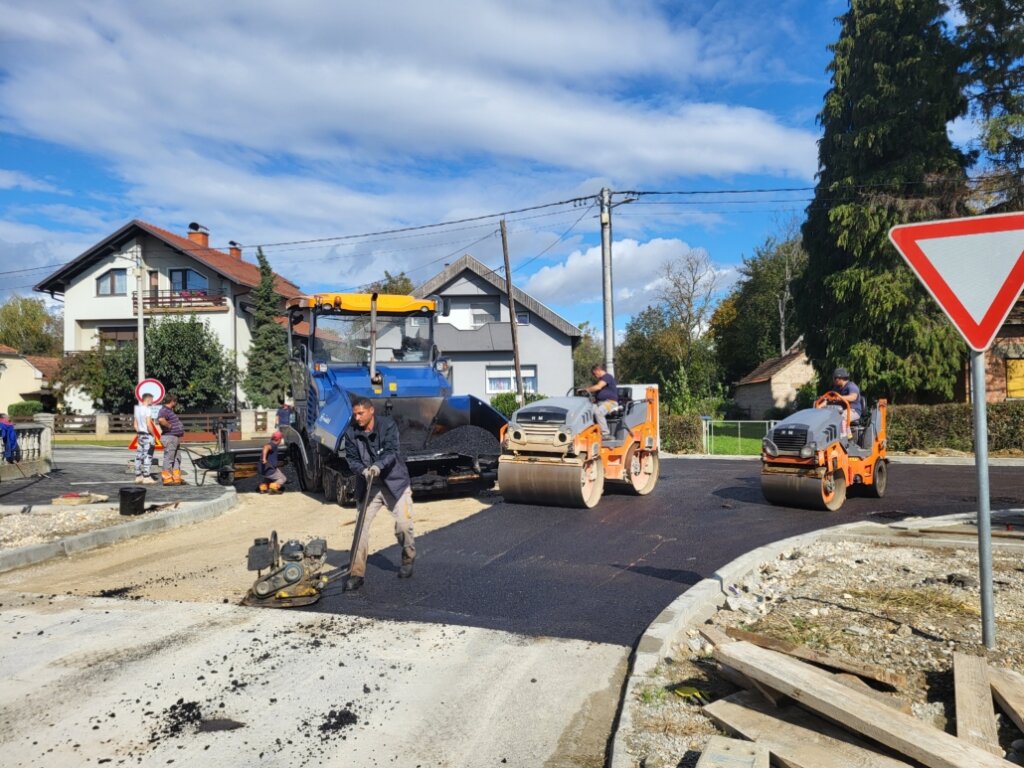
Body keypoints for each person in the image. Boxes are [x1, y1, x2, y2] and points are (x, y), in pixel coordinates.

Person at [342, 397, 416, 593]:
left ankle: (408, 556)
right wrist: (363, 470)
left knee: (403, 526)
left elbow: (392, 451)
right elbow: (352, 459)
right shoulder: (351, 433)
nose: (357, 417)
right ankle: (356, 573)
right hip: (369, 486)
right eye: (355, 414)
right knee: (360, 529)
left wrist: (377, 466)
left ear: (371, 411)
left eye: (360, 413)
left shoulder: (388, 426)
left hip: (395, 484)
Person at [578, 363, 619, 438]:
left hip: (611, 402)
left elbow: (598, 387)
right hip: (600, 403)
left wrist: (585, 390)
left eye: (594, 373)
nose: (594, 376)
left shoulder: (607, 377)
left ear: (598, 370)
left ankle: (605, 434)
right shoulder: (601, 380)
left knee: (598, 412)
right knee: (586, 410)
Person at [157, 393, 186, 486]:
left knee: (177, 458)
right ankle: (167, 479)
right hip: (169, 437)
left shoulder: (170, 410)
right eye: (175, 401)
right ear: (172, 401)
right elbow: (161, 420)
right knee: (169, 458)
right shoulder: (164, 410)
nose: (176, 403)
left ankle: (176, 477)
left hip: (174, 437)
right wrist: (169, 426)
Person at [832, 367, 865, 439]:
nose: (834, 380)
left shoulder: (851, 386)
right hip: (841, 411)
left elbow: (853, 397)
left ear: (841, 378)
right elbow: (831, 397)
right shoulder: (837, 388)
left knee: (841, 417)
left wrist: (841, 398)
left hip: (854, 411)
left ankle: (845, 436)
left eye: (835, 378)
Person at [133, 393, 158, 484]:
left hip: (140, 435)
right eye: (152, 400)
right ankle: (146, 476)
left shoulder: (137, 409)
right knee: (148, 455)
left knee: (139, 455)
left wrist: (140, 432)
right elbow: (148, 424)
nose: (152, 401)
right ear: (148, 399)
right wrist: (154, 434)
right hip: (147, 435)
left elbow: (135, 425)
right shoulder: (147, 410)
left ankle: (138, 475)